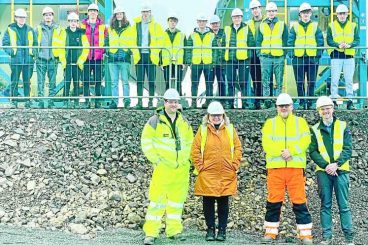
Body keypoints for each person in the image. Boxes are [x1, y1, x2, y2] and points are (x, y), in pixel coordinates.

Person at [141, 88, 193, 245]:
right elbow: (146, 141)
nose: (173, 104)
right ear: (164, 102)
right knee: (157, 201)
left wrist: (188, 161)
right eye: (170, 102)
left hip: (181, 169)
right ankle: (151, 233)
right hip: (163, 168)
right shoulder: (154, 121)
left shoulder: (184, 122)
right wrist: (155, 160)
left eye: (176, 102)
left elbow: (190, 143)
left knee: (177, 202)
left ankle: (174, 231)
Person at [261, 93, 313, 244]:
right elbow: (266, 143)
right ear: (276, 108)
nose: (284, 108)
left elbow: (306, 140)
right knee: (273, 201)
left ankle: (305, 235)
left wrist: (291, 151)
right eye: (281, 106)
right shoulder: (269, 123)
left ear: (292, 107)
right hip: (275, 169)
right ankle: (270, 232)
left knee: (299, 201)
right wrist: (282, 152)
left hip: (295, 168)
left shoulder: (301, 122)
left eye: (286, 105)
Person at [191, 101, 242, 241]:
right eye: (213, 115)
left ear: (223, 116)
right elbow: (195, 150)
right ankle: (210, 229)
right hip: (208, 173)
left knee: (223, 203)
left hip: (226, 173)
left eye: (218, 115)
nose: (216, 118)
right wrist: (200, 166)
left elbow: (238, 148)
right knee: (207, 202)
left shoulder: (230, 130)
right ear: (208, 117)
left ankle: (222, 231)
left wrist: (234, 165)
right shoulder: (202, 131)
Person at [309, 96, 354, 245]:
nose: (326, 111)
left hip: (341, 170)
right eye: (323, 109)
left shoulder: (343, 125)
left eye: (328, 108)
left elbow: (348, 149)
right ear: (318, 111)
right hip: (323, 172)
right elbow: (313, 151)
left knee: (344, 205)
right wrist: (326, 166)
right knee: (325, 205)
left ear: (333, 109)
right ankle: (327, 237)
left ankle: (349, 238)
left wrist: (336, 164)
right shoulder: (314, 129)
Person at [287, 2, 324, 110]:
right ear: (300, 14)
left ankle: (311, 102)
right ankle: (302, 102)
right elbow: (290, 43)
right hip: (298, 58)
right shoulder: (295, 27)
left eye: (307, 12)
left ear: (311, 13)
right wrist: (292, 56)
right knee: (299, 82)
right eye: (303, 13)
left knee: (311, 81)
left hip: (312, 58)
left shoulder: (316, 27)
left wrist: (317, 57)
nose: (306, 14)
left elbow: (320, 43)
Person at [2, 8, 37, 108]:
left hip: (28, 60)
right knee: (14, 81)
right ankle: (14, 101)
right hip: (16, 59)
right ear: (16, 18)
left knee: (27, 81)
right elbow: (5, 43)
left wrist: (33, 53)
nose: (22, 19)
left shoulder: (30, 30)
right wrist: (12, 52)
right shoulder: (10, 29)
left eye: (23, 17)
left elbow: (35, 43)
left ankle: (27, 101)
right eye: (20, 17)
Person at [131, 3, 164, 109]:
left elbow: (160, 41)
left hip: (151, 56)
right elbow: (131, 40)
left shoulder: (156, 26)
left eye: (147, 12)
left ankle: (150, 102)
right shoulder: (136, 25)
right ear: (141, 13)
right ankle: (139, 102)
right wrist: (134, 51)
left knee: (151, 80)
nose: (145, 14)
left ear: (150, 13)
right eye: (144, 12)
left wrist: (156, 52)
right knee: (139, 80)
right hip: (139, 55)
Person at [327, 4, 359, 110]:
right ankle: (334, 101)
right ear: (337, 15)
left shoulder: (353, 25)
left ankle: (350, 101)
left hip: (349, 55)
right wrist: (338, 45)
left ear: (347, 14)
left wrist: (350, 45)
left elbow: (357, 40)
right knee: (334, 80)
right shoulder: (331, 26)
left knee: (349, 80)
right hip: (336, 55)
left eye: (344, 14)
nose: (342, 16)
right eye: (340, 14)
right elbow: (329, 40)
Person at [257, 2, 288, 108]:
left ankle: (278, 101)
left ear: (276, 12)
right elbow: (258, 41)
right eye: (269, 11)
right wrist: (259, 54)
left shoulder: (282, 24)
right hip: (265, 56)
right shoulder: (262, 25)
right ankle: (267, 101)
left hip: (278, 57)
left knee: (279, 80)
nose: (271, 13)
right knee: (265, 80)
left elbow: (286, 40)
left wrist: (284, 54)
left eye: (273, 11)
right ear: (267, 12)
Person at [222, 8, 255, 109]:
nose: (237, 19)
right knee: (230, 82)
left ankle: (244, 103)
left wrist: (248, 58)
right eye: (235, 17)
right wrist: (224, 58)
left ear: (241, 18)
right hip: (230, 59)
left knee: (243, 82)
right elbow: (223, 44)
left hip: (243, 59)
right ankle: (230, 103)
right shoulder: (227, 29)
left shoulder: (246, 28)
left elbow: (251, 43)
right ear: (232, 18)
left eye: (239, 17)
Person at [105, 7, 137, 109]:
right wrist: (108, 52)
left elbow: (133, 41)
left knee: (125, 81)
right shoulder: (110, 28)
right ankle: (115, 101)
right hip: (112, 58)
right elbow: (106, 41)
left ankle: (126, 101)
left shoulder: (129, 28)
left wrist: (127, 52)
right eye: (117, 14)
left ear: (123, 15)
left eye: (120, 14)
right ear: (114, 15)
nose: (119, 15)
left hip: (124, 58)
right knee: (114, 82)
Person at [186, 14, 217, 108]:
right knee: (194, 83)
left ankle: (208, 102)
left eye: (203, 21)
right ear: (197, 23)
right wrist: (189, 62)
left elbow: (215, 49)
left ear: (206, 23)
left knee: (209, 83)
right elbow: (188, 49)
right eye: (200, 21)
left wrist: (213, 62)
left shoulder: (212, 35)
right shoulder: (192, 35)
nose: (202, 23)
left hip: (208, 63)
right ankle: (194, 102)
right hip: (196, 63)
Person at [34, 6, 64, 108]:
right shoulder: (37, 29)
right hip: (41, 59)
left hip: (53, 59)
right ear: (43, 16)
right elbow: (33, 43)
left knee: (52, 82)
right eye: (46, 15)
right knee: (40, 81)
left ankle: (51, 101)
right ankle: (41, 102)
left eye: (50, 15)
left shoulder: (58, 29)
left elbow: (61, 43)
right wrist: (35, 55)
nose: (48, 17)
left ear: (52, 16)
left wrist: (58, 57)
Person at [80, 3, 108, 108]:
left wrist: (102, 51)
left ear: (97, 13)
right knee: (85, 80)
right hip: (86, 57)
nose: (92, 13)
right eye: (91, 10)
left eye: (94, 11)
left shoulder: (103, 27)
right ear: (88, 12)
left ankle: (97, 101)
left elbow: (106, 40)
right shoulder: (81, 26)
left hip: (98, 58)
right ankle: (86, 101)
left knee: (98, 80)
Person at [59, 12, 89, 108]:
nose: (73, 23)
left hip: (77, 63)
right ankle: (65, 101)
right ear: (68, 22)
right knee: (67, 82)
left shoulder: (81, 33)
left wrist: (81, 60)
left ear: (77, 22)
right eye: (71, 21)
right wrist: (63, 61)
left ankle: (76, 102)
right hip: (67, 63)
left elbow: (86, 48)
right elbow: (61, 48)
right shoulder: (64, 32)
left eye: (75, 21)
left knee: (76, 83)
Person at [161, 13, 186, 95]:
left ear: (176, 23)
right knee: (167, 82)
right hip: (167, 62)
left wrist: (184, 62)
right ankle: (167, 100)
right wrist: (160, 62)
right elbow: (159, 49)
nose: (172, 23)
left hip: (178, 62)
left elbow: (185, 49)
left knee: (178, 82)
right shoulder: (162, 35)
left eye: (174, 21)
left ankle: (179, 99)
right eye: (171, 21)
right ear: (168, 22)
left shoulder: (182, 35)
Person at [248, 0, 264, 109]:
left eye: (256, 8)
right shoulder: (248, 24)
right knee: (255, 78)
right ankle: (257, 101)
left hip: (265, 53)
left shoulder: (267, 22)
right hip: (253, 54)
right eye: (253, 9)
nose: (255, 11)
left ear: (260, 8)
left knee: (266, 79)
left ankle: (266, 100)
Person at [209, 15, 226, 104]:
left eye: (216, 23)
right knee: (210, 82)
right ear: (210, 25)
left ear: (219, 24)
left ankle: (223, 101)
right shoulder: (208, 34)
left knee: (222, 82)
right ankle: (209, 101)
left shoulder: (224, 34)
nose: (215, 25)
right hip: (211, 63)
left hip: (221, 63)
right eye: (213, 24)